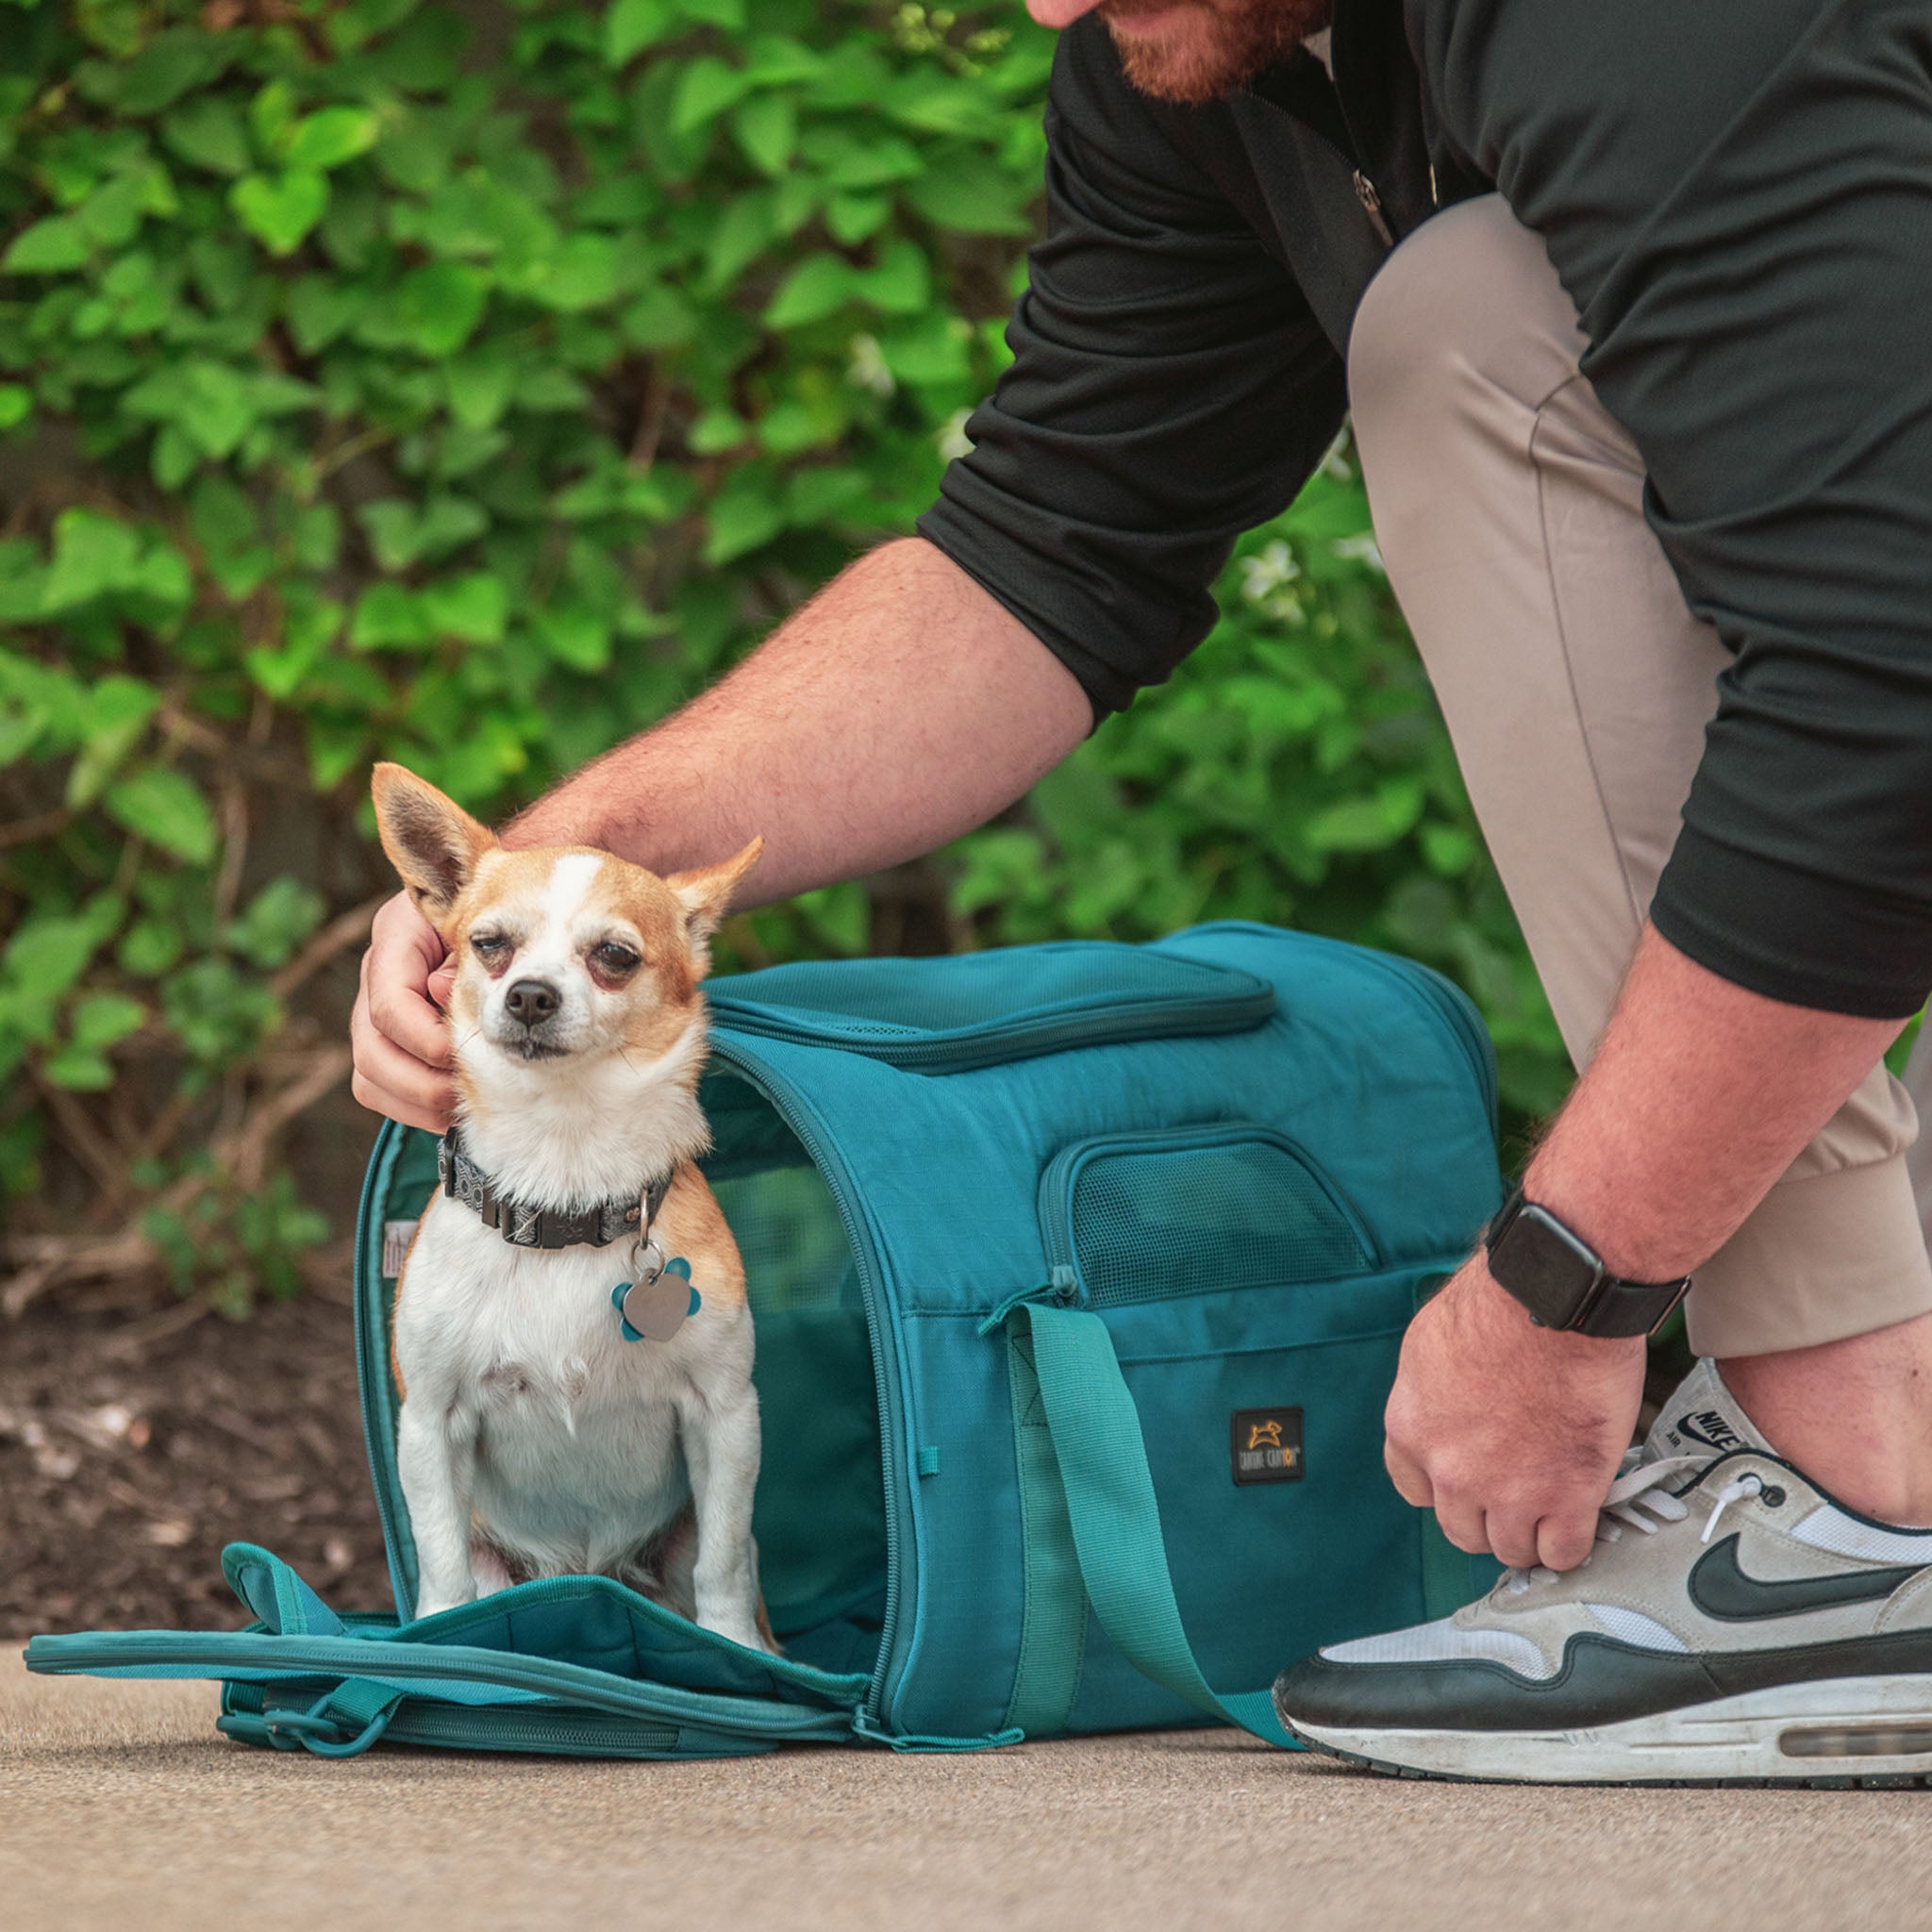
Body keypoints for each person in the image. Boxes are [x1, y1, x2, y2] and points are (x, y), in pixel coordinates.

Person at [353, 0, 1932, 1781]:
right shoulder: (1188, 52)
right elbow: (1053, 544)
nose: (1048, 9)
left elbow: (1890, 682)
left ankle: (1854, 1516)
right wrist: (532, 872)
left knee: (1467, 328)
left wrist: (1567, 1288)